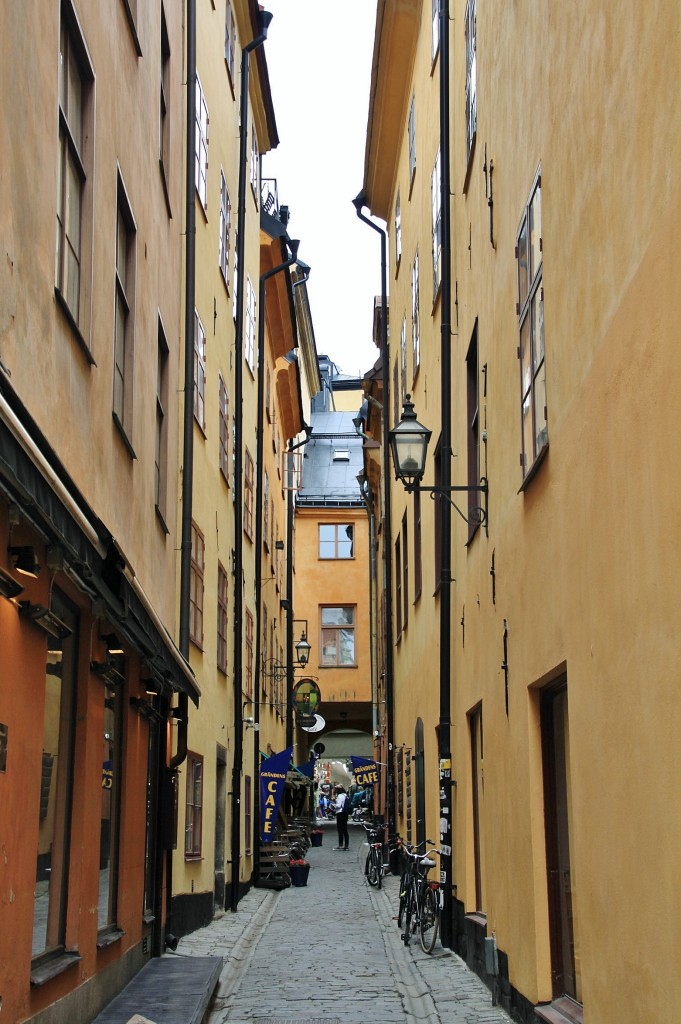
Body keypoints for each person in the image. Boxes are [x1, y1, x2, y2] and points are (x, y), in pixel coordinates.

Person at [333, 785, 351, 850]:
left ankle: (340, 845)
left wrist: (333, 805)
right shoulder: (346, 795)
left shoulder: (340, 796)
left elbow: (338, 805)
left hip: (340, 813)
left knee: (340, 829)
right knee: (345, 829)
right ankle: (346, 845)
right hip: (345, 813)